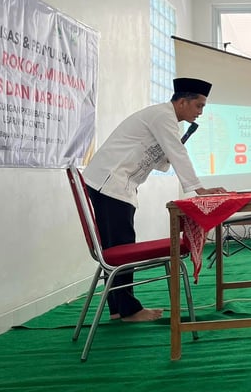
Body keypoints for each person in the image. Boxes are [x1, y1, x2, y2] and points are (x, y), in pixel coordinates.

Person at [83, 77, 229, 323]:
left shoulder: (165, 118)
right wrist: (199, 189)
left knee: (115, 249)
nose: (200, 113)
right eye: (199, 106)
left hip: (113, 184)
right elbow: (177, 153)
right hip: (110, 183)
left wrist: (173, 151)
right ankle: (129, 310)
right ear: (182, 102)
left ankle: (118, 308)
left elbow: (162, 160)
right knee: (121, 249)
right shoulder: (163, 116)